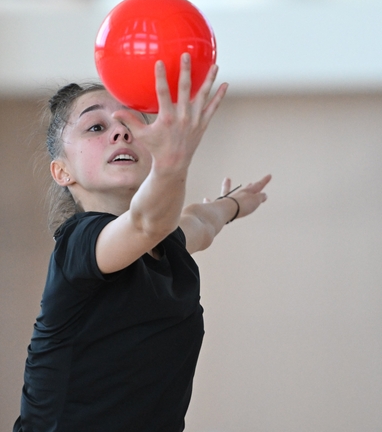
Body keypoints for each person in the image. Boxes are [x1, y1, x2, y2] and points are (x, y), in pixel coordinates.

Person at [14, 53, 271, 431]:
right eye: (95, 128)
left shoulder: (168, 243)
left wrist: (232, 204)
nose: (120, 132)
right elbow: (146, 223)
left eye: (130, 121)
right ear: (62, 171)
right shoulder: (79, 245)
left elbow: (197, 220)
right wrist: (174, 162)